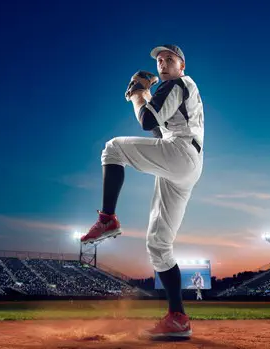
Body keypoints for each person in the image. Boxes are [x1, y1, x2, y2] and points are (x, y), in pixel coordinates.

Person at [80, 44, 204, 339]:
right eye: (159, 60)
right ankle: (178, 318)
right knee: (158, 244)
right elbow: (157, 128)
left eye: (169, 59)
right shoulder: (176, 90)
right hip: (184, 164)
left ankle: (107, 218)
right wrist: (144, 95)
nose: (163, 64)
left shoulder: (177, 83)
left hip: (180, 153)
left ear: (181, 65)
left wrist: (138, 94)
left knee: (113, 148)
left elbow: (147, 119)